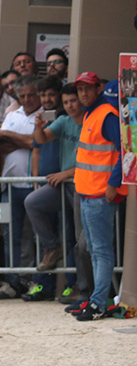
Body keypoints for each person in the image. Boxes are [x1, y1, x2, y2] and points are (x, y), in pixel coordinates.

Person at [27, 83, 89, 309]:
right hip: (64, 185)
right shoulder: (63, 120)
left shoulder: (90, 121)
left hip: (83, 184)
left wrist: (66, 173)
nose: (70, 106)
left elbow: (92, 159)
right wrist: (38, 127)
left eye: (73, 101)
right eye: (66, 102)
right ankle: (52, 247)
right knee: (33, 202)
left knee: (79, 241)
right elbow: (42, 139)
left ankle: (82, 288)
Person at [71, 73, 126, 321]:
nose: (83, 93)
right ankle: (96, 299)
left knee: (100, 250)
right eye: (80, 89)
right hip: (87, 191)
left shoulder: (107, 115)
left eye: (88, 88)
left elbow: (126, 150)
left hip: (100, 194)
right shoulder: (91, 113)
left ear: (98, 89)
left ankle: (98, 303)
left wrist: (114, 183)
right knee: (94, 249)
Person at [0, 74, 42, 300]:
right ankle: (12, 280)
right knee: (11, 235)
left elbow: (35, 142)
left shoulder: (44, 115)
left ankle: (30, 279)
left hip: (34, 185)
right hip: (10, 184)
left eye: (31, 95)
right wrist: (22, 140)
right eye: (22, 96)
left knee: (33, 235)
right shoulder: (12, 114)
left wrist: (10, 136)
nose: (27, 99)